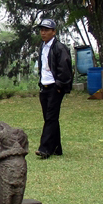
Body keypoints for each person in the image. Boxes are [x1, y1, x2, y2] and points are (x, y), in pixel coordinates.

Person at [36, 19, 74, 159]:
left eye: (46, 30)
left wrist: (59, 85)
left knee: (50, 118)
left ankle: (45, 149)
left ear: (54, 32)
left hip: (54, 87)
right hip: (44, 86)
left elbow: (65, 68)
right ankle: (57, 148)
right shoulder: (42, 47)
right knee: (50, 117)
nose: (43, 32)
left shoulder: (59, 48)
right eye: (41, 30)